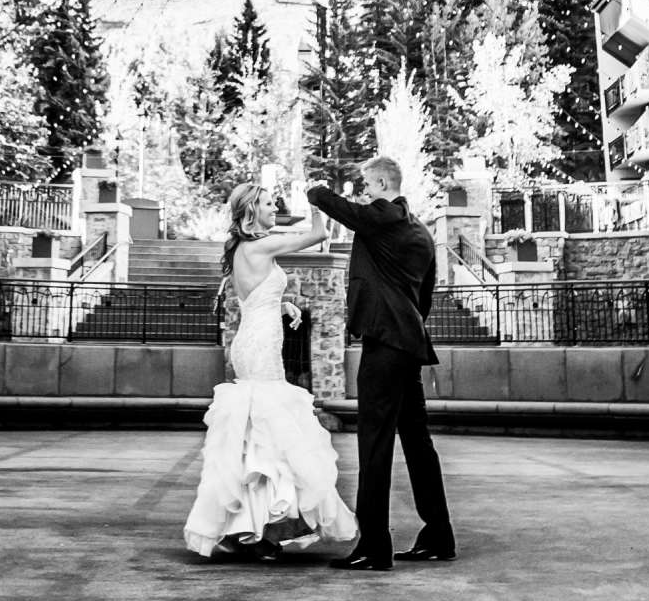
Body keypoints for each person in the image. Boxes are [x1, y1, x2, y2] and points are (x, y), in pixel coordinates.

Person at [181, 174, 358, 562]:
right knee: (267, 430)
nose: (273, 209)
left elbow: (255, 296)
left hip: (254, 340)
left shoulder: (246, 249)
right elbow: (317, 235)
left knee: (255, 430)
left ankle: (243, 527)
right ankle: (262, 529)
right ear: (249, 212)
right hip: (260, 347)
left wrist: (284, 304)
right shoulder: (263, 245)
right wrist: (316, 201)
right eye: (265, 204)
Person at [306, 154, 456, 571]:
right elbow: (424, 298)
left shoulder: (381, 216)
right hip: (408, 343)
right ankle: (438, 535)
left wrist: (314, 191)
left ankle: (374, 546)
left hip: (384, 344)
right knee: (417, 441)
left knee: (374, 444)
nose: (364, 192)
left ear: (382, 182)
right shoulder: (422, 235)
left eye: (368, 185)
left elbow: (344, 209)